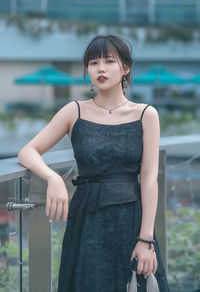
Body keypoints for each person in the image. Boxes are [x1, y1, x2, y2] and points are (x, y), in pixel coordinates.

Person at [18, 34, 170, 291]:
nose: (100, 68)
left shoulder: (146, 114)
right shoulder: (74, 111)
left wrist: (146, 240)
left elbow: (149, 178)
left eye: (109, 61)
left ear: (126, 68)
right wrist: (53, 178)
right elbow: (28, 151)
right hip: (87, 220)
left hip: (131, 219)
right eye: (93, 62)